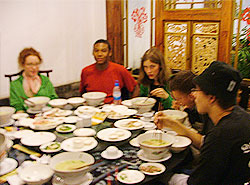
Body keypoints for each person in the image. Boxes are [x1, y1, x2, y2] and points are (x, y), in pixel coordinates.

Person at [155, 61, 250, 185]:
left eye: (197, 90)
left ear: (211, 97)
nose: (193, 95)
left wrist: (165, 177)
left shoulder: (220, 136)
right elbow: (206, 142)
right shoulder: (241, 116)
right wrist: (174, 125)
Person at [79, 39, 137, 104]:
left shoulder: (120, 69)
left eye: (103, 51)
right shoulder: (86, 71)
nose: (99, 54)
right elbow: (82, 93)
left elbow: (135, 88)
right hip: (92, 107)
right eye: (96, 51)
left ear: (110, 53)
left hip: (114, 107)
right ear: (93, 53)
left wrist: (132, 105)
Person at [10, 47, 58, 112]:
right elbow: (16, 106)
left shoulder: (45, 80)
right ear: (22, 65)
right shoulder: (15, 84)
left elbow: (54, 99)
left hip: (47, 115)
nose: (34, 68)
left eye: (37, 64)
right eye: (30, 64)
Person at [168, 70, 213, 135]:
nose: (177, 102)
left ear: (191, 95)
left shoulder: (204, 110)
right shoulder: (190, 108)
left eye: (179, 99)